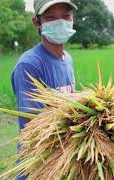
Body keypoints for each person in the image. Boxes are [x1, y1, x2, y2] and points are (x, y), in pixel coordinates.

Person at [11, 0, 77, 179]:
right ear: (37, 23)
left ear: (73, 19)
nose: (61, 23)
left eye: (66, 16)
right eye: (51, 18)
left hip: (64, 161)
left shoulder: (68, 59)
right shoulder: (29, 65)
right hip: (39, 164)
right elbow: (32, 122)